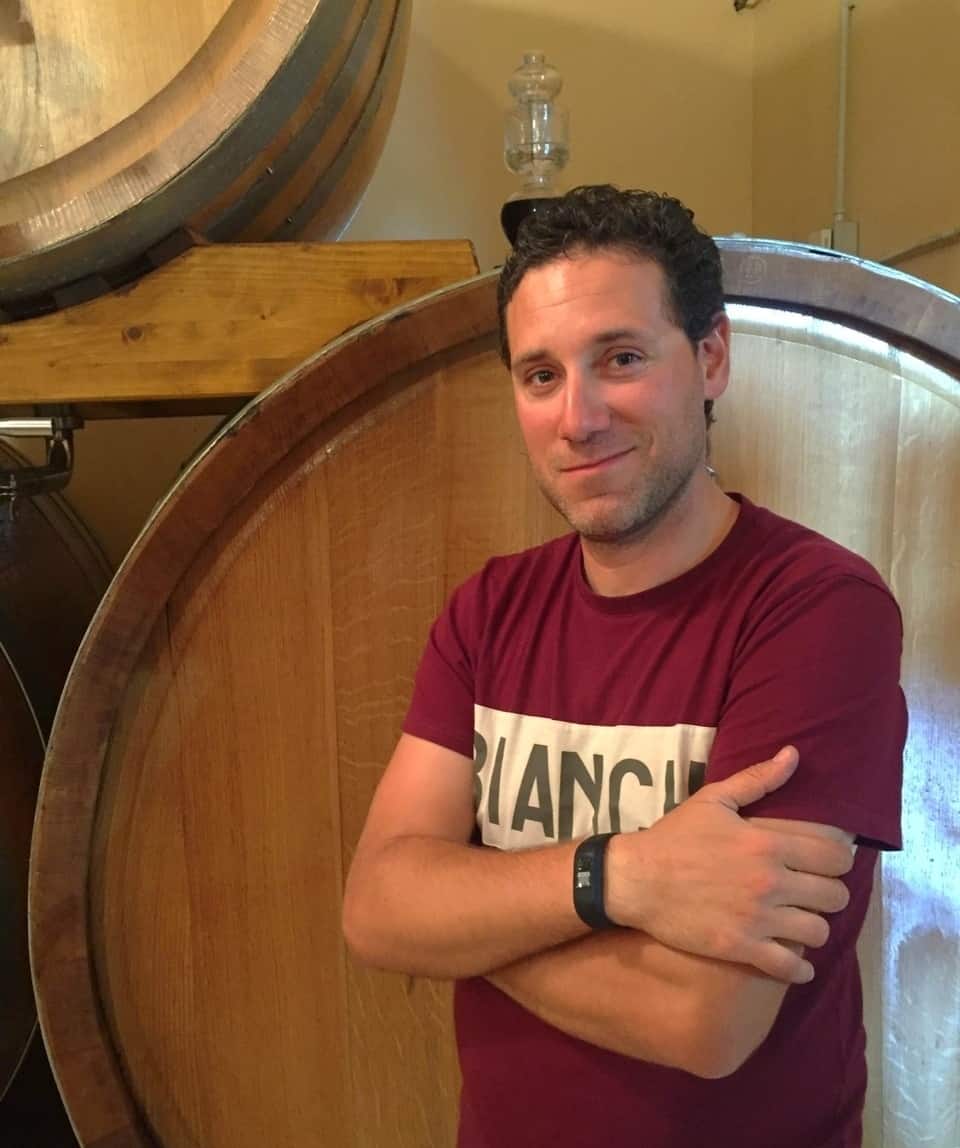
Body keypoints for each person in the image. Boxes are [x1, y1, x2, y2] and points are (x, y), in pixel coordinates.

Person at [342, 185, 906, 1148]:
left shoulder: (818, 611)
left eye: (622, 359)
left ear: (711, 358)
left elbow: (706, 1021)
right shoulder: (489, 611)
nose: (579, 417)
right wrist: (624, 877)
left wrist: (471, 915)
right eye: (540, 376)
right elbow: (375, 910)